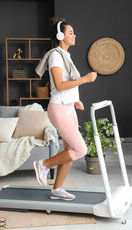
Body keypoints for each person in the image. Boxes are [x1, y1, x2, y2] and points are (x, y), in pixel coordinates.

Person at [34, 16, 97, 201]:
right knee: (80, 149)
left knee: (70, 152)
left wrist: (75, 100)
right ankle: (44, 164)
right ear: (61, 35)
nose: (75, 35)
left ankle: (57, 189)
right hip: (58, 109)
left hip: (69, 107)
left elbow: (67, 86)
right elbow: (59, 85)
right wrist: (85, 79)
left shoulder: (65, 55)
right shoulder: (55, 55)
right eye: (71, 32)